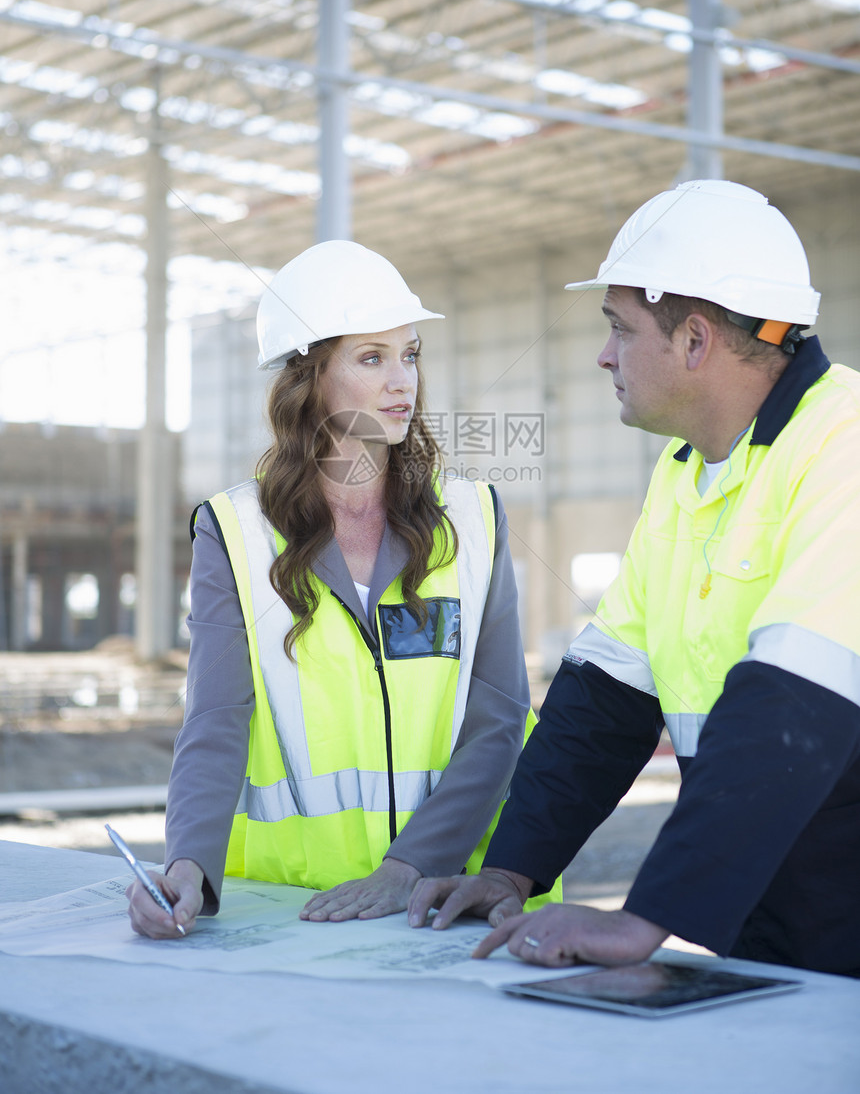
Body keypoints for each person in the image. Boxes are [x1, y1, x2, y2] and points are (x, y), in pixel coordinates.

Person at [408, 179, 860, 979]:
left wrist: (650, 917)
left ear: (693, 340)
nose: (604, 354)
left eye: (620, 328)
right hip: (772, 921)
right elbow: (606, 695)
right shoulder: (687, 474)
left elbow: (793, 704)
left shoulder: (843, 446)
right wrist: (512, 869)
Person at [126, 240, 557, 940]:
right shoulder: (233, 532)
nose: (402, 383)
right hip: (297, 915)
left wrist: (411, 864)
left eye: (410, 355)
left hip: (454, 902)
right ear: (311, 377)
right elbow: (216, 719)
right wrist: (187, 866)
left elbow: (501, 715)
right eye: (371, 357)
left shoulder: (475, 518)